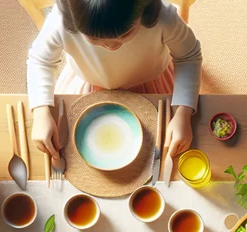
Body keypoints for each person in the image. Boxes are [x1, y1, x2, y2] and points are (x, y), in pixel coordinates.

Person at [27, 0, 201, 162]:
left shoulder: (164, 18)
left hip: (152, 83)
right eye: (94, 39)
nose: (111, 46)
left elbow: (189, 56)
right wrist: (41, 112)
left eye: (124, 34)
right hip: (89, 84)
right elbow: (40, 60)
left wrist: (183, 112)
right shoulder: (61, 21)